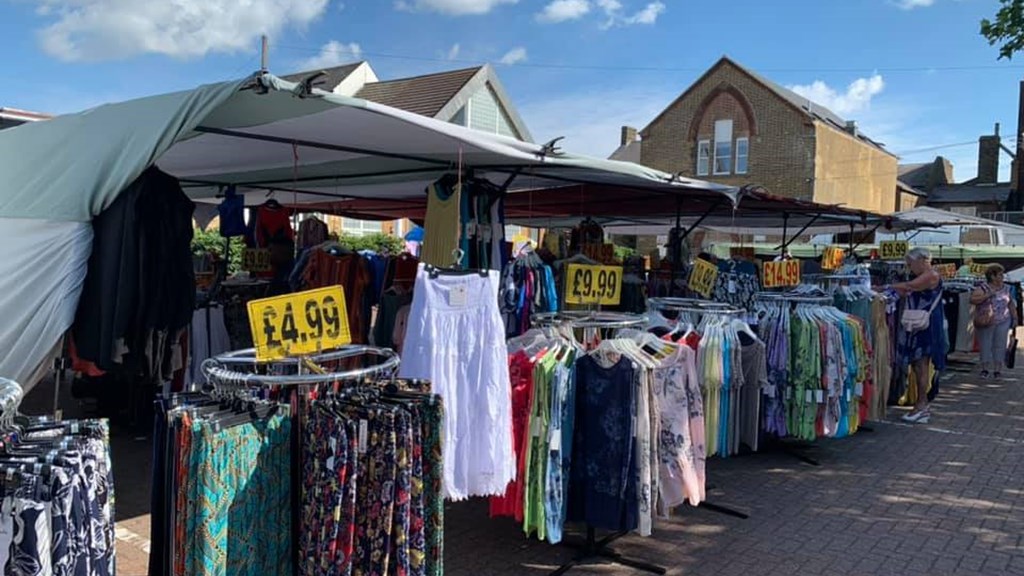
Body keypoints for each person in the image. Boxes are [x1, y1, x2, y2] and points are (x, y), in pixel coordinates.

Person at [892, 247, 945, 424]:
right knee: (917, 365)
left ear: (922, 260)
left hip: (925, 326)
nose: (909, 267)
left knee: (922, 365)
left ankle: (922, 405)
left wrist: (884, 286)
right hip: (918, 324)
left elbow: (911, 286)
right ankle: (920, 405)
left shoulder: (931, 275)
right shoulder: (925, 275)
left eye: (910, 263)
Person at [970, 263, 1018, 378]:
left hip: (1003, 320)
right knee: (985, 344)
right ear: (992, 276)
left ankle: (997, 370)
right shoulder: (982, 288)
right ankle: (985, 369)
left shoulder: (1007, 288)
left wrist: (1015, 317)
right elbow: (972, 300)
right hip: (986, 320)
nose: (1002, 277)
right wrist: (987, 295)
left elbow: (1011, 304)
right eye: (1000, 275)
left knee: (1000, 345)